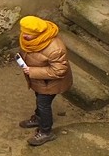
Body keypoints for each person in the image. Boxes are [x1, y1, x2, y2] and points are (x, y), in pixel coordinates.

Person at [17, 16, 73, 146]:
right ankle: (38, 118)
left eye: (27, 34)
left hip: (51, 83)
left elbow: (59, 71)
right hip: (40, 81)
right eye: (23, 32)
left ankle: (46, 131)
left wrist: (32, 71)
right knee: (39, 99)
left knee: (43, 104)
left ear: (37, 34)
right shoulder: (29, 39)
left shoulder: (56, 49)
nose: (23, 36)